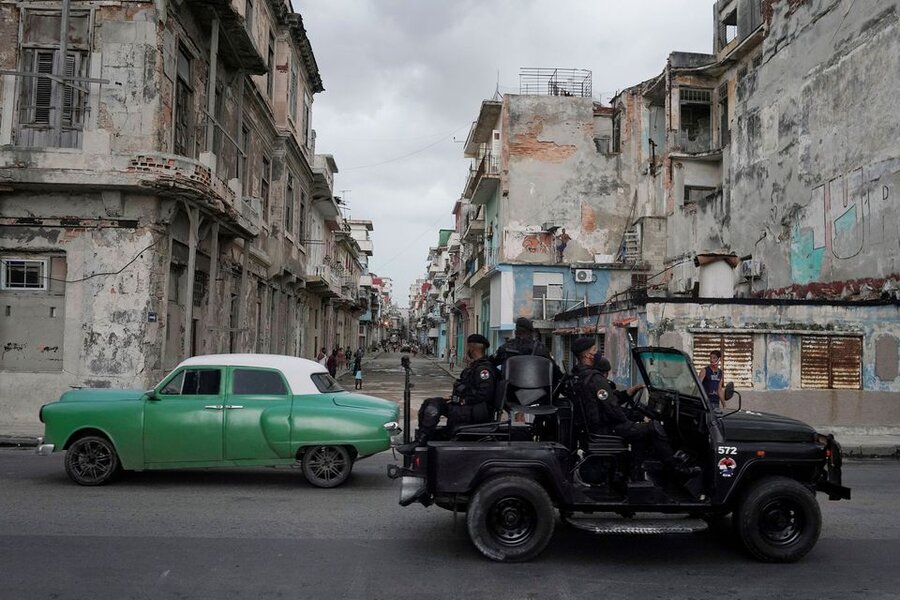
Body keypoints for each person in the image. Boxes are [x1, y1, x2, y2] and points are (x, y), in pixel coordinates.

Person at [569, 336, 699, 477]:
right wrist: (630, 422)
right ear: (588, 355)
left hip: (596, 427)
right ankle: (675, 469)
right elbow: (613, 409)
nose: (598, 352)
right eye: (595, 350)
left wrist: (628, 394)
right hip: (605, 429)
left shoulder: (579, 375)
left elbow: (608, 403)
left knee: (641, 430)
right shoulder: (596, 379)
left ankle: (635, 472)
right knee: (654, 427)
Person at [412, 334, 497, 445]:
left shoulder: (483, 370)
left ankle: (423, 440)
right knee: (430, 403)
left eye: (468, 347)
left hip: (475, 411)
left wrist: (463, 401)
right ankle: (422, 437)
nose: (467, 350)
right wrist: (456, 398)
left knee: (435, 408)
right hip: (467, 407)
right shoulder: (474, 367)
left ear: (472, 348)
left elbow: (485, 394)